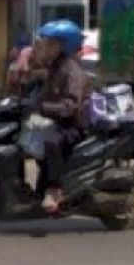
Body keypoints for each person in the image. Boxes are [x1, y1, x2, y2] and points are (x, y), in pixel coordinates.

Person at [34, 19, 92, 214]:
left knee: (52, 142)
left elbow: (69, 106)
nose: (46, 47)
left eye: (51, 43)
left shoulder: (71, 71)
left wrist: (42, 107)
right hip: (57, 122)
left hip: (73, 126)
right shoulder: (55, 67)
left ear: (63, 46)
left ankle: (54, 189)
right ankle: (39, 191)